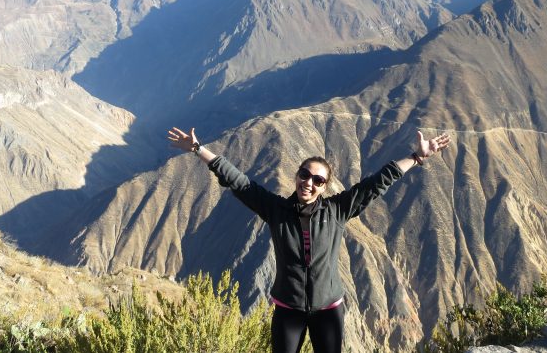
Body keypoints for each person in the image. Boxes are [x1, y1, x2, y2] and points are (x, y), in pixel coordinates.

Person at [167, 126, 451, 353]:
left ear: (324, 186)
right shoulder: (275, 210)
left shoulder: (338, 210)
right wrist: (197, 148)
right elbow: (239, 182)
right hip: (288, 310)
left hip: (328, 310)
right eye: (305, 175)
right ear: (297, 175)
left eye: (318, 180)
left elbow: (376, 183)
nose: (309, 182)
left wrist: (416, 157)